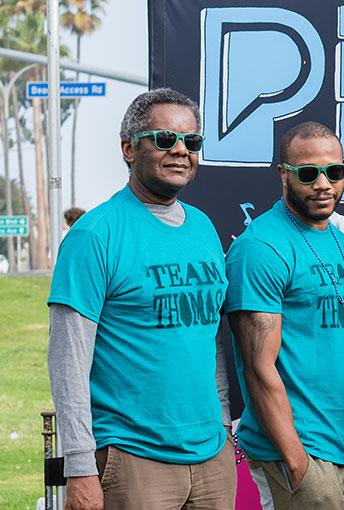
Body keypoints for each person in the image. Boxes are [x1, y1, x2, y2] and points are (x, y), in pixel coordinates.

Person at [47, 88, 235, 509]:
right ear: (129, 149)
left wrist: (222, 422)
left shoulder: (204, 227)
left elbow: (210, 338)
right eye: (165, 139)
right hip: (134, 460)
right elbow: (68, 359)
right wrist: (79, 466)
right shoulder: (94, 235)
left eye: (193, 141)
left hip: (210, 457)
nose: (181, 151)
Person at [224, 121, 344, 509]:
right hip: (299, 448)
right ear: (284, 174)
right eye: (308, 173)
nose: (323, 184)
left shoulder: (341, 239)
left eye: (334, 172)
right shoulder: (261, 248)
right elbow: (257, 369)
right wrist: (296, 462)